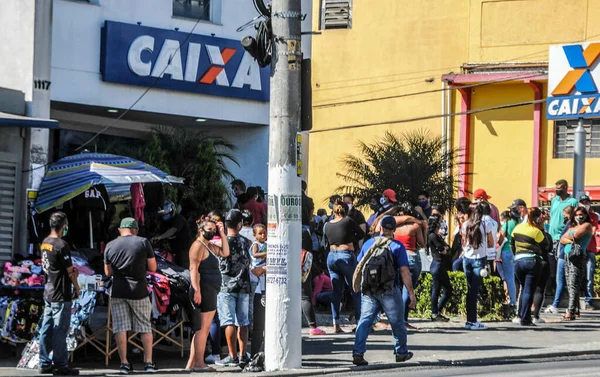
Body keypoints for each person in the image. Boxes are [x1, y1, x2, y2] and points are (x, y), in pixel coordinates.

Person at [352, 216, 415, 366]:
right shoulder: (397, 246)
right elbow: (405, 271)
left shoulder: (368, 244)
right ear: (394, 230)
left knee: (365, 321)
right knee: (397, 322)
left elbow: (359, 264)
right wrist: (411, 293)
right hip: (389, 290)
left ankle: (358, 353)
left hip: (369, 290)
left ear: (380, 228)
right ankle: (401, 353)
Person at [104, 218, 158, 374]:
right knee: (144, 326)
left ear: (120, 230)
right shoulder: (143, 243)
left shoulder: (110, 245)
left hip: (118, 291)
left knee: (120, 327)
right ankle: (148, 363)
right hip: (139, 291)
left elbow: (107, 272)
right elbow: (153, 268)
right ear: (135, 229)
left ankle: (124, 364)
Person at [39, 212, 80, 376]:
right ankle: (60, 365)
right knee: (60, 330)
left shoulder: (45, 243)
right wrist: (77, 288)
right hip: (61, 293)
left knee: (46, 328)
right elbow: (70, 271)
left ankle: (44, 362)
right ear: (64, 226)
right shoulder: (61, 245)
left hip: (49, 291)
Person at [186, 218, 229, 372]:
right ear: (201, 229)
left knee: (200, 329)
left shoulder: (209, 245)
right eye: (209, 229)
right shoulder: (198, 245)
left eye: (213, 229)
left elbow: (225, 252)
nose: (212, 232)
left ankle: (191, 364)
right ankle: (199, 364)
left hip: (210, 288)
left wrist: (223, 233)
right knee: (203, 329)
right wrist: (197, 290)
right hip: (204, 288)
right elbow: (193, 268)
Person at [216, 209, 252, 367]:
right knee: (243, 322)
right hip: (244, 286)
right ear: (240, 224)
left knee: (228, 321)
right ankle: (243, 355)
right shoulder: (246, 242)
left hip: (225, 286)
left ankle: (232, 356)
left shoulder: (220, 242)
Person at [323, 198, 365, 333]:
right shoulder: (348, 221)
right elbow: (361, 234)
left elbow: (325, 243)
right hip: (346, 254)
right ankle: (360, 322)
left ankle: (336, 324)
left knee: (336, 291)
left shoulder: (327, 224)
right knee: (355, 289)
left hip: (331, 256)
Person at [510, 208, 548, 326]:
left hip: (518, 261)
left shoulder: (516, 228)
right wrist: (542, 229)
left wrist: (517, 255)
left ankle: (520, 314)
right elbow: (546, 245)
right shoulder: (536, 232)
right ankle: (525, 319)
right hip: (532, 261)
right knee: (528, 290)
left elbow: (512, 244)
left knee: (523, 289)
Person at [462, 203, 494, 330]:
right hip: (479, 260)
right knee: (474, 292)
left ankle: (469, 321)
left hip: (467, 259)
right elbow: (491, 243)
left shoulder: (465, 225)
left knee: (470, 290)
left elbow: (463, 242)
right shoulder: (486, 224)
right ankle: (473, 321)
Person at [393, 205, 425, 329]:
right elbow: (422, 244)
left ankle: (396, 318)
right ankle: (404, 320)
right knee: (408, 288)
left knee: (397, 288)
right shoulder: (415, 227)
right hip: (411, 256)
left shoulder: (395, 226)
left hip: (397, 256)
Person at [561, 206, 594, 321]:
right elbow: (562, 239)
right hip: (567, 255)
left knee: (573, 284)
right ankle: (575, 309)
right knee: (569, 285)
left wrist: (569, 238)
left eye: (581, 214)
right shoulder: (572, 226)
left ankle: (570, 312)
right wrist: (570, 239)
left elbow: (576, 235)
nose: (579, 217)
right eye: (577, 215)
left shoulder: (587, 226)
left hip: (577, 257)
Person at [545, 206, 574, 314]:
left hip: (564, 255)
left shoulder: (571, 225)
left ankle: (555, 305)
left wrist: (564, 240)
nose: (563, 217)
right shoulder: (569, 224)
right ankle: (571, 306)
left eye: (565, 215)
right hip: (563, 254)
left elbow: (564, 239)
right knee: (567, 281)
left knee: (561, 281)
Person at [427, 215, 452, 321]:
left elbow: (447, 247)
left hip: (438, 264)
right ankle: (435, 312)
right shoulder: (433, 236)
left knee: (444, 289)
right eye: (440, 222)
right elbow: (443, 250)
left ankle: (437, 311)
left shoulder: (437, 236)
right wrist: (445, 248)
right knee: (440, 289)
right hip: (438, 264)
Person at [153, 200, 192, 269]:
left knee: (184, 267)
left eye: (167, 213)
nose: (165, 216)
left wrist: (160, 237)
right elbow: (160, 231)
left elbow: (172, 231)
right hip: (173, 249)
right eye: (163, 214)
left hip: (184, 249)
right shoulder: (163, 222)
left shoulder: (179, 219)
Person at [579, 195, 599, 310]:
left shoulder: (593, 216)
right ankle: (575, 302)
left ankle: (588, 301)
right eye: (583, 202)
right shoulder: (577, 215)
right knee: (577, 277)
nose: (585, 204)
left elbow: (592, 231)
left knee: (589, 276)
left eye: (587, 202)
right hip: (578, 250)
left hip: (590, 249)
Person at [496, 211, 517, 310]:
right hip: (518, 252)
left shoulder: (507, 224)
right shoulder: (520, 222)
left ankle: (512, 301)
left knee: (509, 278)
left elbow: (501, 237)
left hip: (507, 251)